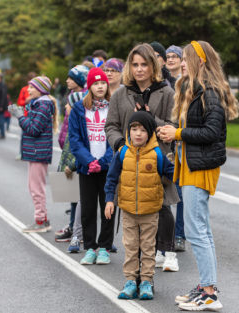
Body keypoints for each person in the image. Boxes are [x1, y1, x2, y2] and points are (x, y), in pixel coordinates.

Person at [159, 40, 239, 311]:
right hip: (191, 166)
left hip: (201, 168)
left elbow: (211, 133)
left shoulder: (210, 93)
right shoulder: (194, 90)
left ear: (200, 61)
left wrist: (178, 134)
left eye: (186, 58)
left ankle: (209, 293)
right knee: (200, 229)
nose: (182, 61)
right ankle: (206, 287)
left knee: (197, 231)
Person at [105, 43, 180, 273]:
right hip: (129, 159)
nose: (139, 69)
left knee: (163, 205)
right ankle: (137, 263)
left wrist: (150, 118)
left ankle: (167, 251)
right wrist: (119, 145)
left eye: (144, 64)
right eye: (135, 65)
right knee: (133, 210)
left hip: (157, 156)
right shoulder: (121, 94)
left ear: (153, 65)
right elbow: (112, 125)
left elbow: (174, 126)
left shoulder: (166, 92)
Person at [105, 111, 175, 300]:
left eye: (143, 130)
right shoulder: (123, 152)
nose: (138, 134)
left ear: (151, 133)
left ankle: (146, 281)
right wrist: (109, 200)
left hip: (151, 211)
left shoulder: (157, 153)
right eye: (134, 129)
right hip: (128, 210)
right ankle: (130, 281)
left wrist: (176, 166)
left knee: (148, 247)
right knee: (130, 247)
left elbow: (172, 174)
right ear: (128, 131)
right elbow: (111, 178)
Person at [68, 67, 115, 265]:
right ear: (90, 86)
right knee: (87, 209)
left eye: (103, 83)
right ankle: (90, 247)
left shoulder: (113, 107)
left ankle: (104, 247)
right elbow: (75, 139)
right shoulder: (79, 109)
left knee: (108, 207)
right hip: (87, 167)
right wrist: (89, 161)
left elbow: (118, 137)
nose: (100, 86)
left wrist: (104, 162)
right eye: (96, 83)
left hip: (108, 168)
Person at [8, 76, 58, 233]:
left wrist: (20, 115)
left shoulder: (43, 106)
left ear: (41, 89)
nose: (28, 90)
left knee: (37, 188)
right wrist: (23, 113)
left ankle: (41, 221)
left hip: (38, 152)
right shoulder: (38, 104)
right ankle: (42, 219)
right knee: (34, 187)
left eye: (31, 87)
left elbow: (33, 129)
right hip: (36, 151)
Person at [54, 64, 89, 243]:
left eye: (71, 78)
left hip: (75, 159)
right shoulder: (73, 99)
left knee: (77, 197)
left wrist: (73, 162)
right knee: (72, 196)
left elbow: (78, 140)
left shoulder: (78, 100)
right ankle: (74, 227)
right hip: (69, 155)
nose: (67, 80)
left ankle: (77, 230)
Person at [166, 44, 184, 251]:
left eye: (175, 57)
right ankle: (167, 233)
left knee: (178, 192)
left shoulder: (183, 82)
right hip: (165, 138)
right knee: (164, 190)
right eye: (168, 57)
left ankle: (179, 234)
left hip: (179, 140)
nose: (171, 60)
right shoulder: (163, 81)